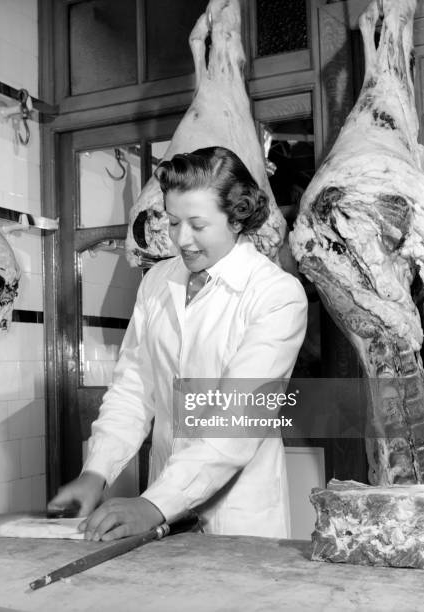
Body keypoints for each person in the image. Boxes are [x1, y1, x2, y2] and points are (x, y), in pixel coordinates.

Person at [50, 146, 308, 541]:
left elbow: (235, 422)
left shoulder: (276, 294)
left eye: (197, 225)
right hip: (162, 505)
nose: (182, 239)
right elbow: (134, 387)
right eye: (173, 222)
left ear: (237, 218)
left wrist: (153, 505)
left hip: (235, 514)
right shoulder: (157, 281)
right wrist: (96, 471)